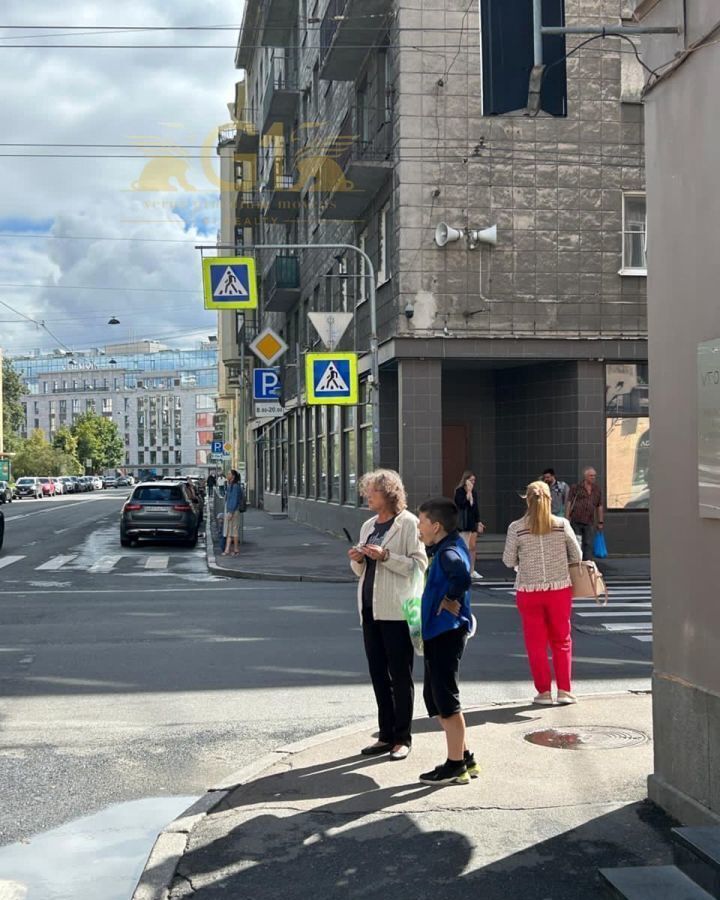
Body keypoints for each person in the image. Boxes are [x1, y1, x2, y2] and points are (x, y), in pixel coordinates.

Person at [349, 470, 427, 761]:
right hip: (370, 609)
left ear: (390, 494)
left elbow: (418, 566)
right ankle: (385, 735)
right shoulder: (369, 525)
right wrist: (358, 560)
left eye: (373, 492)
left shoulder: (408, 524)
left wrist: (385, 556)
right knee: (378, 675)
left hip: (396, 611)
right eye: (367, 491)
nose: (367, 496)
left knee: (400, 675)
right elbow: (363, 572)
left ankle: (402, 737)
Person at [416, 497, 479, 786]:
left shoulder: (448, 552)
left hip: (445, 632)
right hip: (441, 631)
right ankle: (465, 756)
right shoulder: (448, 545)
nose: (419, 527)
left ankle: (455, 766)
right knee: (435, 697)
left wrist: (451, 598)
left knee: (446, 701)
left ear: (436, 525)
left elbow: (461, 577)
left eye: (422, 522)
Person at [503, 481, 582, 706]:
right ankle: (565, 690)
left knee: (535, 643)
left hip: (529, 590)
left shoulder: (516, 527)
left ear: (527, 499)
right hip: (559, 589)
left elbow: (508, 560)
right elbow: (576, 555)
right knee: (562, 639)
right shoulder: (561, 524)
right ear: (550, 499)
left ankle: (544, 692)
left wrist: (523, 559)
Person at [453, 471, 485, 582]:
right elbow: (460, 504)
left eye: (474, 480)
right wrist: (468, 493)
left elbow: (475, 508)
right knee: (464, 545)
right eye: (471, 480)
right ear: (465, 480)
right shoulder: (459, 491)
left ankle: (472, 570)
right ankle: (463, 568)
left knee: (472, 546)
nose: (473, 482)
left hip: (471, 522)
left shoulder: (474, 493)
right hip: (463, 523)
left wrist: (478, 521)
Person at [566, 468, 604, 561]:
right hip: (576, 519)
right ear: (586, 476)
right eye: (591, 476)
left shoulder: (597, 489)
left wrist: (600, 521)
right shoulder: (576, 487)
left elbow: (599, 506)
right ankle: (577, 561)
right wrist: (566, 518)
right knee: (577, 542)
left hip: (589, 521)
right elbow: (569, 502)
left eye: (594, 476)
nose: (593, 477)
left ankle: (587, 562)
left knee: (588, 543)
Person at [223, 469, 242, 557]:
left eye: (229, 474)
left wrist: (230, 512)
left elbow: (234, 500)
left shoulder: (235, 486)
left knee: (234, 531)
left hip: (233, 511)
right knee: (229, 531)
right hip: (230, 510)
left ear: (233, 476)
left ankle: (236, 549)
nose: (227, 475)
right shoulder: (230, 485)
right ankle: (227, 550)